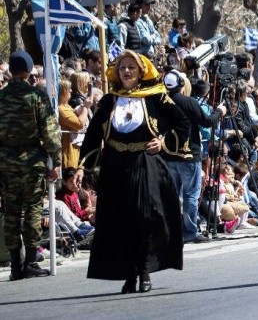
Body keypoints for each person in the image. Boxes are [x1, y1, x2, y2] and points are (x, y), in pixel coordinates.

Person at [79, 50, 190, 293]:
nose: (126, 71)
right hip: (115, 166)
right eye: (122, 68)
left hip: (145, 163)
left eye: (131, 67)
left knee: (144, 216)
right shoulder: (109, 100)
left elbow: (182, 123)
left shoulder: (156, 97)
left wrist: (162, 141)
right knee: (120, 220)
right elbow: (94, 133)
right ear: (116, 73)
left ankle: (144, 270)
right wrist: (83, 166)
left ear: (141, 71)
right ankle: (129, 273)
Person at [0, 50, 61, 280]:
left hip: (6, 162)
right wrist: (56, 160)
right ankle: (31, 261)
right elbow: (50, 132)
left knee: (12, 211)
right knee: (33, 209)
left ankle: (16, 263)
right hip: (32, 161)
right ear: (27, 71)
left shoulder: (1, 97)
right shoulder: (36, 96)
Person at [164, 69, 225, 243]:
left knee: (174, 195)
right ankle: (190, 231)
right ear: (182, 84)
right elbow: (207, 122)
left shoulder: (161, 102)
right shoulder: (189, 102)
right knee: (191, 195)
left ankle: (173, 231)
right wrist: (219, 111)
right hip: (188, 154)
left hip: (168, 155)